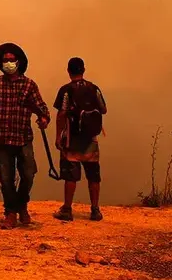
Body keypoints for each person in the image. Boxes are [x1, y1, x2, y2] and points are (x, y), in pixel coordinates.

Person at [0, 42, 50, 229]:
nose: (8, 63)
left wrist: (43, 119)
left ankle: (21, 205)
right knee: (6, 179)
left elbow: (43, 109)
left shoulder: (29, 85)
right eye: (5, 60)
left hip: (23, 138)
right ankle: (11, 212)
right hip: (2, 139)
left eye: (11, 60)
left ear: (19, 62)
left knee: (28, 174)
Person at [52, 57, 107, 222]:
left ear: (68, 71)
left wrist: (57, 136)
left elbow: (61, 114)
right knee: (93, 175)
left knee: (70, 176)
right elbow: (103, 109)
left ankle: (67, 209)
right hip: (91, 139)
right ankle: (95, 210)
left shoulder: (66, 90)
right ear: (83, 69)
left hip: (72, 139)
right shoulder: (93, 88)